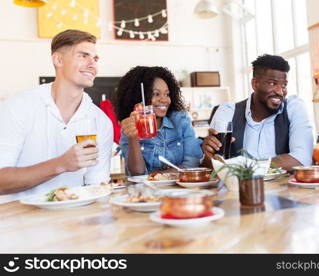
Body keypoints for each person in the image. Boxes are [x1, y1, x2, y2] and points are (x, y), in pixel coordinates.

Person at [0, 29, 113, 203]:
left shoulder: (101, 122)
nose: (93, 64)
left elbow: (97, 188)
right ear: (58, 60)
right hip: (18, 225)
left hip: (73, 224)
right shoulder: (17, 107)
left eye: (95, 59)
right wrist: (61, 164)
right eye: (83, 56)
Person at [202, 54, 314, 171]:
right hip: (238, 187)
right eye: (272, 83)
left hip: (284, 187)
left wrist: (247, 167)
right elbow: (213, 166)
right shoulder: (228, 111)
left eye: (284, 85)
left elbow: (302, 159)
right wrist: (208, 155)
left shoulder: (294, 107)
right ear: (255, 84)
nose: (280, 92)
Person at [113, 66, 203, 175]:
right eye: (156, 94)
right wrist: (133, 139)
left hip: (181, 190)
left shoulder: (180, 120)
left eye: (167, 94)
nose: (164, 100)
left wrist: (157, 176)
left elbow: (192, 165)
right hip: (147, 192)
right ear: (138, 97)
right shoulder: (130, 127)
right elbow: (137, 174)